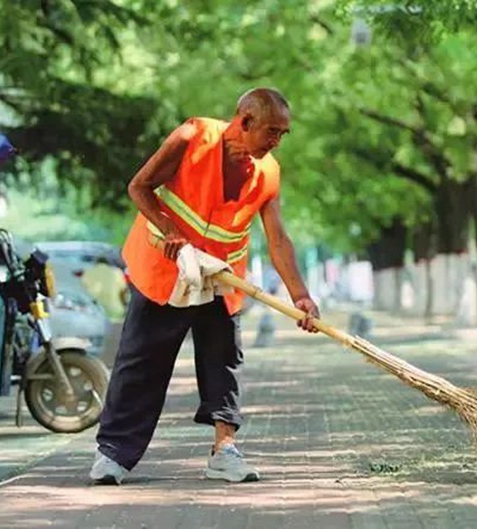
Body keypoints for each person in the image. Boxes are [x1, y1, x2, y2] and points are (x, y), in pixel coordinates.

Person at [89, 88, 319, 485]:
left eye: (284, 134)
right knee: (141, 363)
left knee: (223, 363)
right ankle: (113, 455)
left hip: (221, 278)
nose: (277, 141)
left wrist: (300, 295)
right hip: (165, 269)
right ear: (244, 121)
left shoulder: (268, 172)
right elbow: (139, 187)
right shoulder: (191, 138)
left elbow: (278, 238)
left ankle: (224, 450)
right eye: (272, 131)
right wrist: (171, 233)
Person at [80, 256, 128, 322]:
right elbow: (123, 291)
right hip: (116, 312)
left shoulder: (89, 272)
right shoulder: (117, 272)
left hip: (96, 312)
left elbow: (84, 290)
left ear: (96, 264)